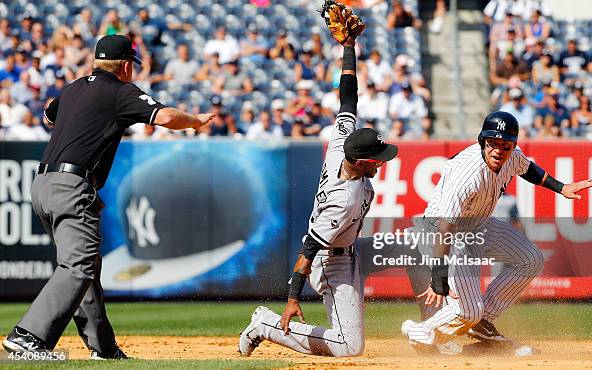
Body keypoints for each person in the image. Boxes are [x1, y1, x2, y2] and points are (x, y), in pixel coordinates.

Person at [1, 35, 214, 358]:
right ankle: (28, 336)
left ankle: (103, 347)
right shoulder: (120, 91)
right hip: (72, 185)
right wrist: (196, 121)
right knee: (78, 266)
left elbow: (49, 115)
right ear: (126, 66)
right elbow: (167, 118)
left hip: (43, 185)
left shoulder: (72, 88)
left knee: (85, 267)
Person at [238, 7, 399, 357]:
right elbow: (309, 248)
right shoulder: (344, 200)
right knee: (349, 347)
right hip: (332, 259)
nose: (382, 163)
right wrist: (293, 298)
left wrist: (349, 47)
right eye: (378, 159)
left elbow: (348, 98)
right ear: (361, 162)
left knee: (419, 247)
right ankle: (265, 325)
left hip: (351, 249)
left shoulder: (343, 143)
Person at [401, 111, 592, 352]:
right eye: (492, 143)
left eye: (505, 145)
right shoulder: (467, 175)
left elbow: (529, 169)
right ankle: (418, 331)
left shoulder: (512, 156)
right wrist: (439, 274)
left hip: (478, 223)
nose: (498, 150)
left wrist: (561, 187)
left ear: (513, 145)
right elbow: (445, 226)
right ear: (482, 141)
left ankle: (483, 323)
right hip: (445, 231)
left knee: (530, 259)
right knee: (467, 311)